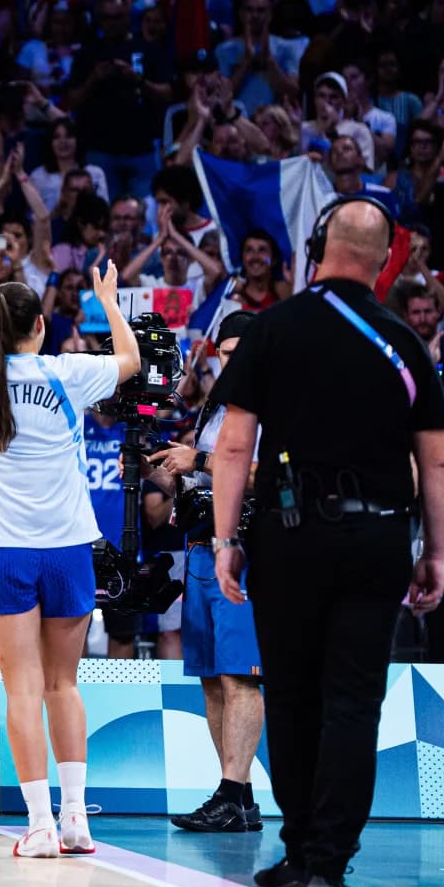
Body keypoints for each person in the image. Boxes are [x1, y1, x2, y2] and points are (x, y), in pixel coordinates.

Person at [208, 197, 444, 887]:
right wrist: (433, 551)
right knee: (353, 700)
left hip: (288, 538)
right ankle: (328, 863)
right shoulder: (402, 341)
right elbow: (438, 462)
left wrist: (228, 541)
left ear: (318, 248)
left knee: (290, 695)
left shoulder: (271, 330)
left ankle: (295, 849)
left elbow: (232, 445)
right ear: (383, 261)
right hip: (377, 536)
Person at [0, 270, 138, 857]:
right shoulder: (69, 371)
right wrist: (108, 304)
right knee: (64, 684)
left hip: (2, 553)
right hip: (66, 551)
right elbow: (132, 360)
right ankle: (75, 819)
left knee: (22, 688)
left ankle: (38, 826)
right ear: (41, 325)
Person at [150, 310, 267, 836]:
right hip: (198, 549)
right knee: (212, 681)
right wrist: (176, 476)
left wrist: (196, 459)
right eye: (226, 353)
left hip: (243, 552)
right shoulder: (216, 409)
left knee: (239, 674)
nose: (233, 362)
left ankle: (233, 792)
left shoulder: (273, 405)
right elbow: (208, 470)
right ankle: (235, 797)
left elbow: (269, 472)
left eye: (243, 354)